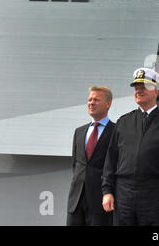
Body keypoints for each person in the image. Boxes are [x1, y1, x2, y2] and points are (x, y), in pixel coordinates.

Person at [101, 68, 159, 226]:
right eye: (136, 88)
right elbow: (111, 160)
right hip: (123, 195)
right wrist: (107, 191)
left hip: (155, 196)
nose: (139, 90)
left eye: (144, 87)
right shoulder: (123, 122)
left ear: (156, 91)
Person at [67, 86, 115, 226]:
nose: (91, 103)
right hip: (76, 202)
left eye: (96, 100)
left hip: (101, 202)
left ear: (108, 104)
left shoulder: (116, 132)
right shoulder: (79, 132)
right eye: (89, 99)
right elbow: (75, 164)